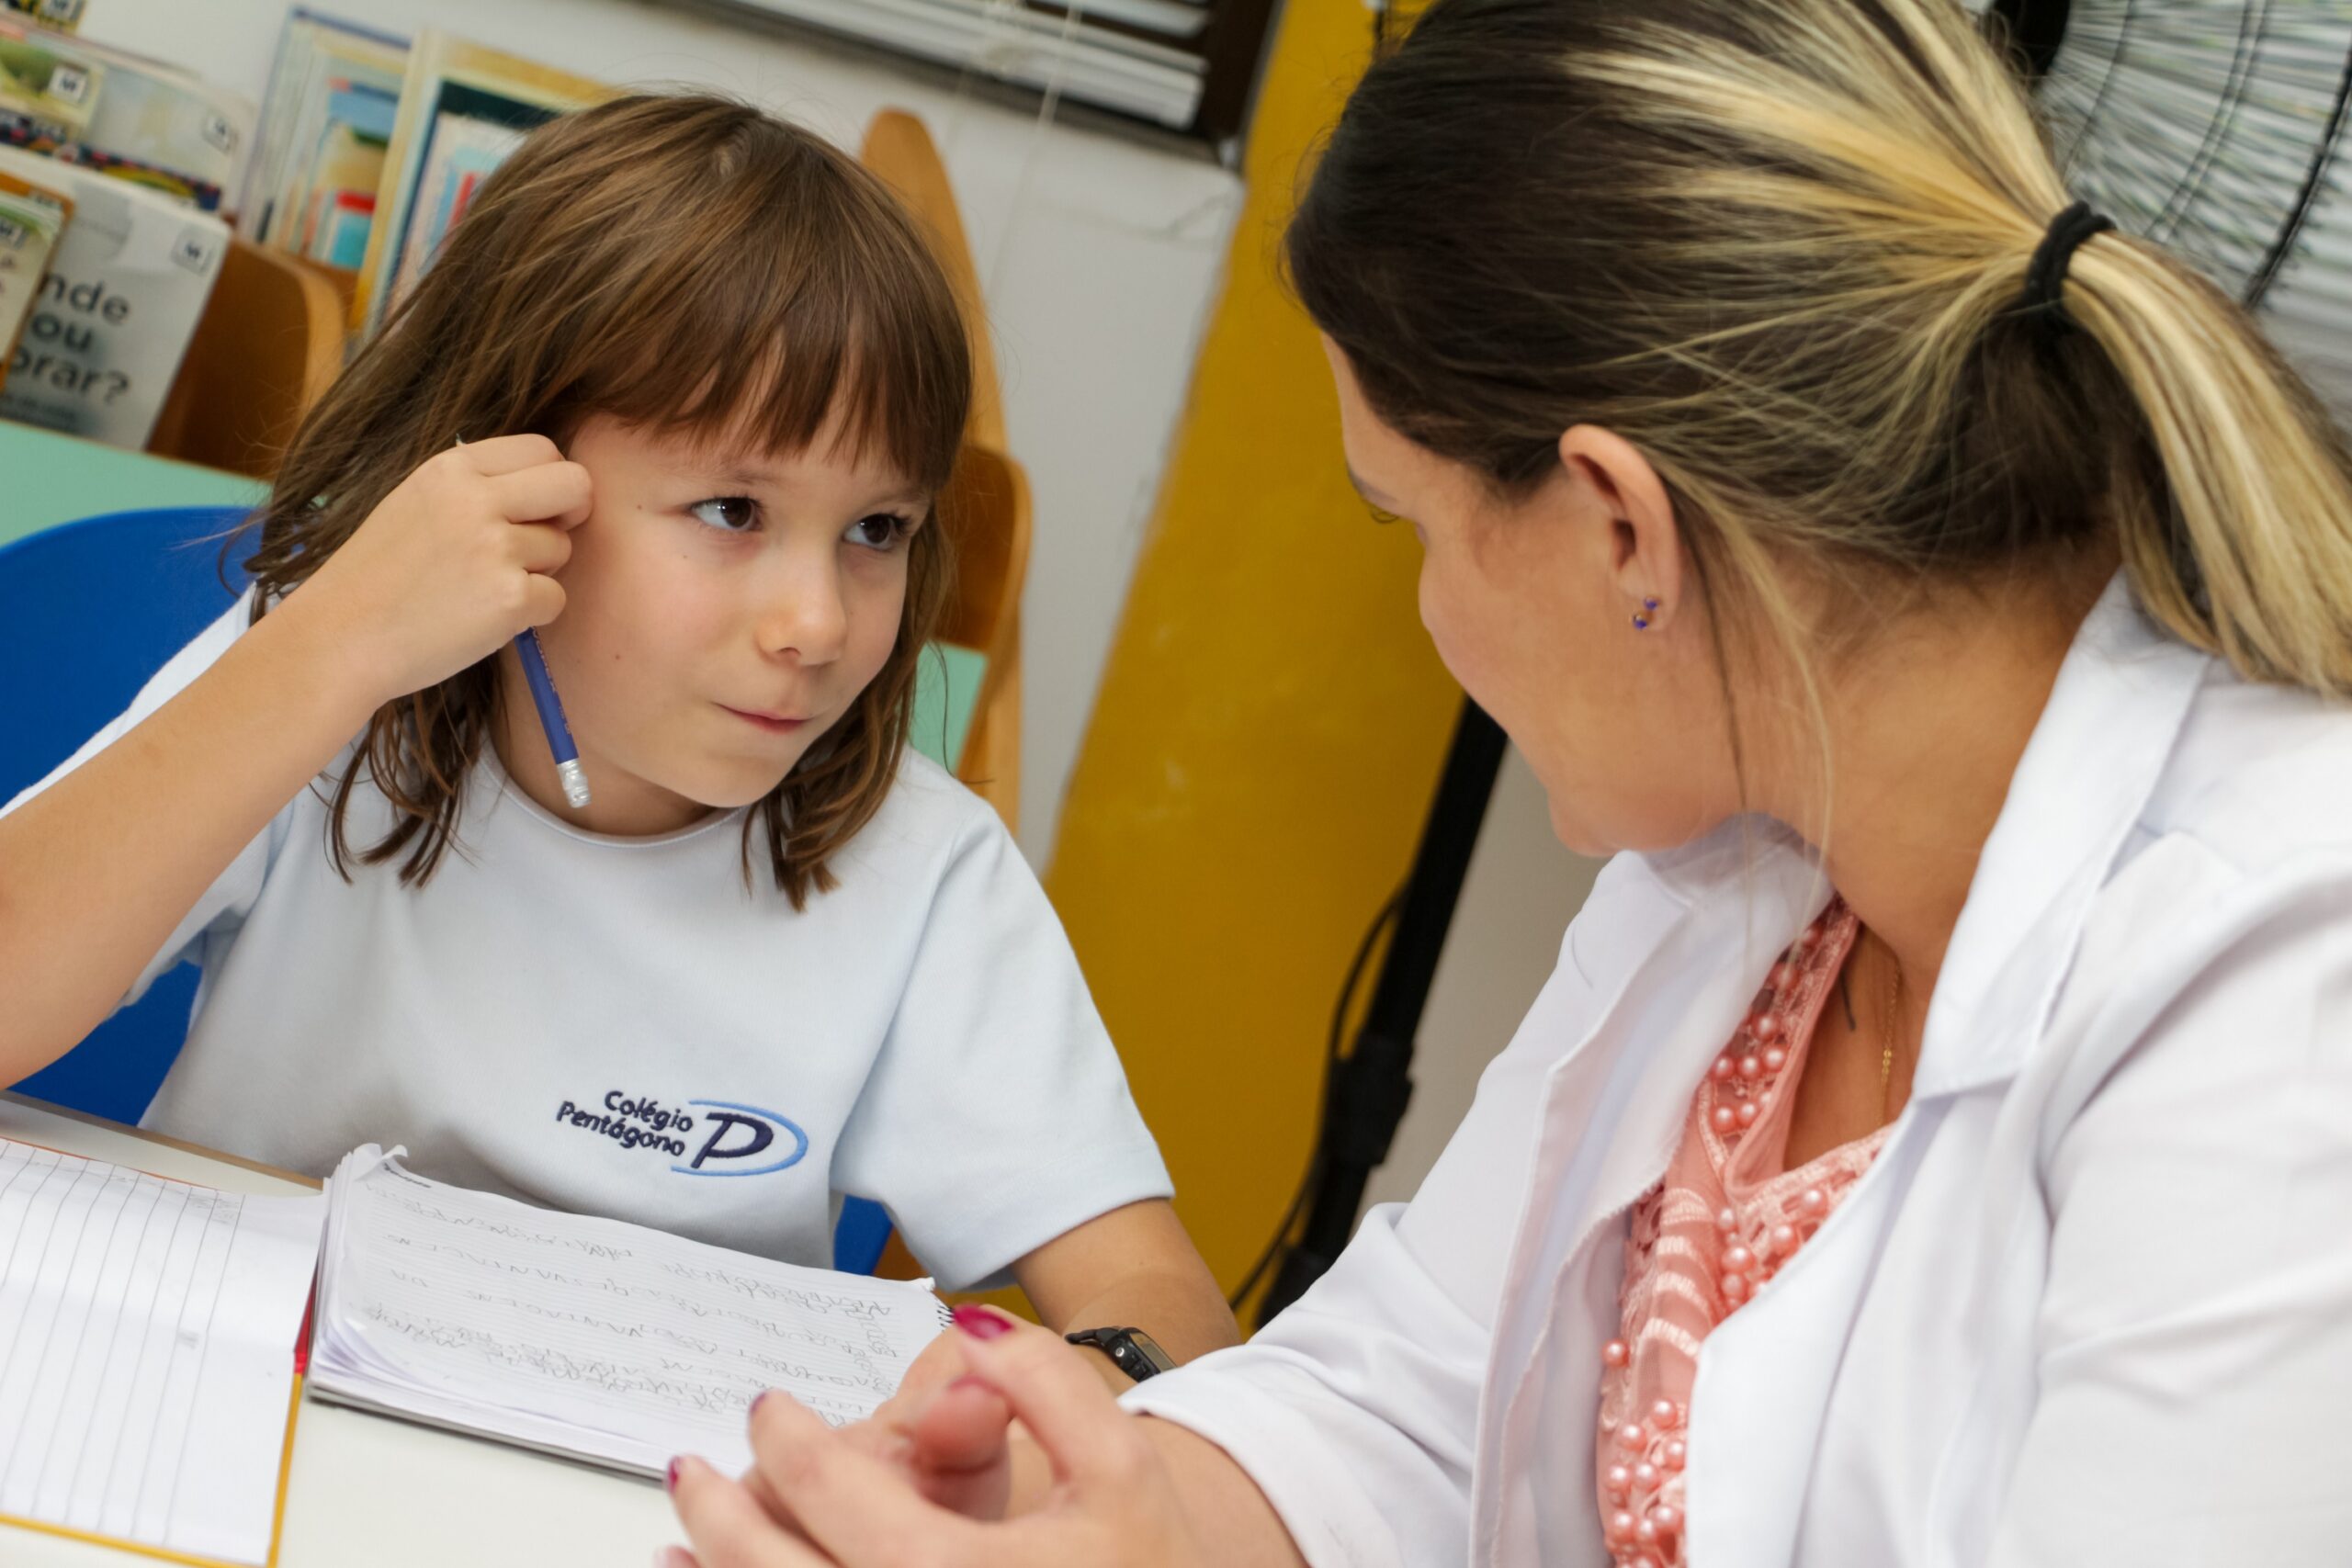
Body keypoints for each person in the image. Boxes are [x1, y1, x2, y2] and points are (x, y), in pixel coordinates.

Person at [662, 0, 2352, 1562]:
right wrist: (1111, 1515)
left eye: (1409, 523)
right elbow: (1401, 1405)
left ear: (1621, 529)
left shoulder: (2280, 989)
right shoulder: (1750, 871)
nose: (1427, 615)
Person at [0, 93, 1235, 1366]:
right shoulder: (327, 679)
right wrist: (333, 647)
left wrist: (1087, 1394)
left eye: (878, 530)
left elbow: (1158, 1300)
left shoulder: (928, 873)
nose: (817, 622)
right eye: (733, 510)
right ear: (508, 475)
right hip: (231, 1403)